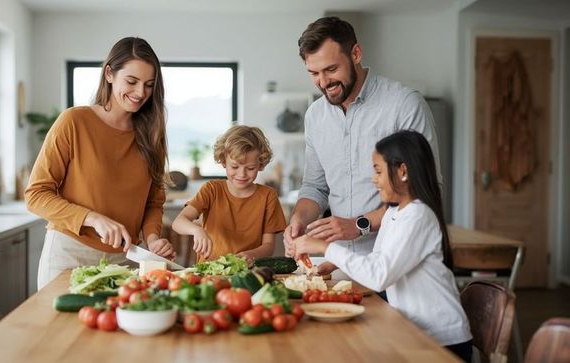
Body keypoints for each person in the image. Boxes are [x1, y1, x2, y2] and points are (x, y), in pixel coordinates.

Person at [294, 130, 472, 361]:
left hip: (442, 340)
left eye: (378, 170)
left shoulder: (418, 216)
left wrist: (325, 247)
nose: (373, 179)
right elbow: (378, 260)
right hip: (413, 331)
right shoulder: (394, 212)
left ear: (403, 171)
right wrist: (335, 264)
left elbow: (379, 276)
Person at [284, 16, 442, 275]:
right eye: (314, 73)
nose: (323, 82)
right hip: (339, 263)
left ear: (355, 53)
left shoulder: (403, 105)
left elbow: (424, 190)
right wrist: (299, 221)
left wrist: (358, 225)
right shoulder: (315, 116)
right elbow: (315, 186)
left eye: (331, 69)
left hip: (397, 264)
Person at [26, 37, 175, 290]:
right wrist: (92, 218)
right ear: (109, 74)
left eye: (149, 85)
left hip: (126, 259)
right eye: (131, 81)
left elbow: (153, 202)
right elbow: (36, 195)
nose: (141, 93)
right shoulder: (74, 122)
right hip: (69, 254)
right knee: (60, 331)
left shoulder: (152, 135)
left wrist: (152, 238)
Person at [172, 125, 286, 264]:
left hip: (247, 272)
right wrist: (197, 231)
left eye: (250, 168)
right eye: (235, 167)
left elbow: (268, 246)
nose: (242, 174)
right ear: (223, 161)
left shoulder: (268, 196)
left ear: (260, 164)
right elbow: (178, 222)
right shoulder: (211, 189)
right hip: (209, 272)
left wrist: (249, 255)